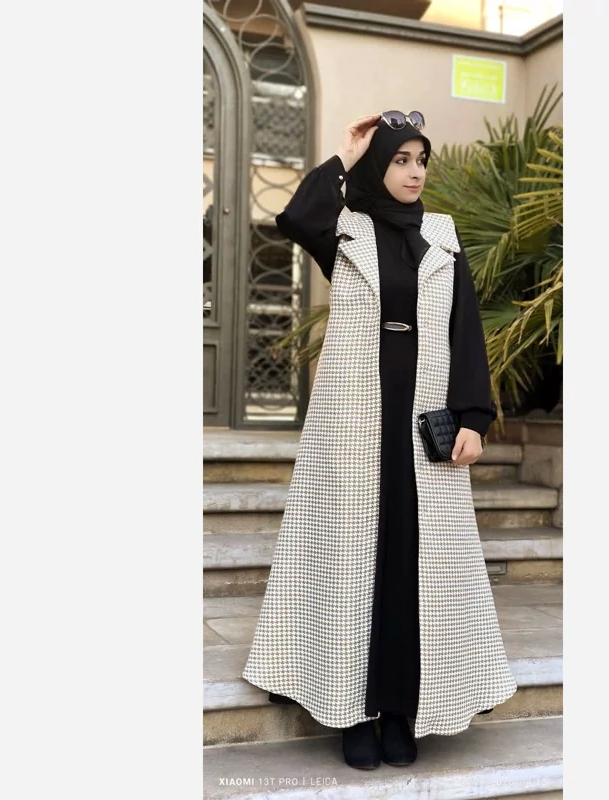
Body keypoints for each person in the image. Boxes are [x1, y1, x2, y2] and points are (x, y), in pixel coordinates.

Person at [243, 112, 516, 770]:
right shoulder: (345, 228)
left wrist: (474, 416)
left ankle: (402, 711)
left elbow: (466, 331)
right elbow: (296, 216)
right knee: (351, 564)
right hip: (355, 425)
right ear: (377, 165)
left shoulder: (443, 235)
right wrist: (345, 155)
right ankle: (353, 712)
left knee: (416, 569)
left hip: (424, 422)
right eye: (400, 160)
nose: (415, 172)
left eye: (421, 160)